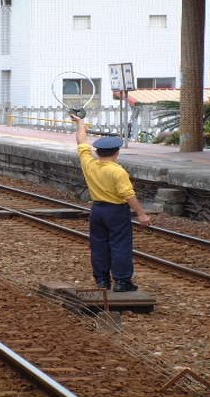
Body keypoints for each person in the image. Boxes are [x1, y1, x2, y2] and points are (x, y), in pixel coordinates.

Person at [71, 115, 151, 292]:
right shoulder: (118, 171)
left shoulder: (89, 164)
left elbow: (81, 141)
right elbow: (128, 195)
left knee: (98, 245)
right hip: (116, 211)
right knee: (120, 244)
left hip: (97, 210)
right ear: (117, 152)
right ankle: (122, 281)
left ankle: (102, 280)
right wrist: (142, 214)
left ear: (98, 152)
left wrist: (80, 123)